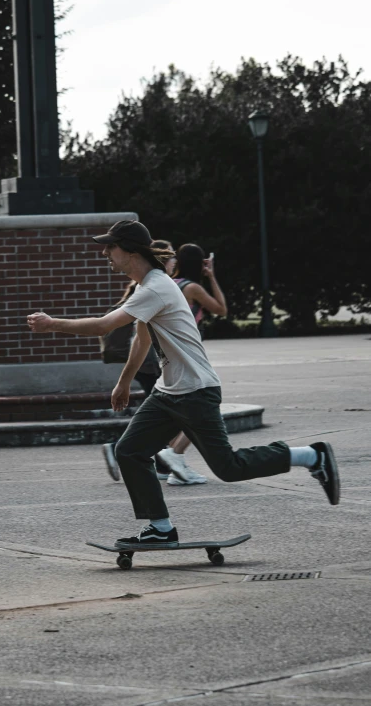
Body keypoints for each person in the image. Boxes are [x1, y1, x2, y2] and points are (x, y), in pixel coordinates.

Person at [27, 219, 340, 549]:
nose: (105, 252)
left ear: (131, 251)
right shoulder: (150, 288)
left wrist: (52, 324)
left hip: (196, 392)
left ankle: (311, 455)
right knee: (130, 451)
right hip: (168, 392)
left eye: (111, 246)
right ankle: (160, 527)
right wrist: (124, 381)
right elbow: (142, 340)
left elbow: (104, 326)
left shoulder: (156, 288)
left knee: (229, 467)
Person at [101, 239, 173, 483]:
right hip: (150, 362)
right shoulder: (152, 288)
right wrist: (52, 324)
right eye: (171, 258)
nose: (175, 262)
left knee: (162, 412)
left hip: (151, 362)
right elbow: (132, 335)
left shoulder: (147, 286)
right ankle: (126, 451)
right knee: (163, 413)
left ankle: (161, 461)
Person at [158, 243, 228, 486]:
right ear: (199, 264)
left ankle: (176, 462)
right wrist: (212, 276)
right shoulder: (192, 287)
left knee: (182, 410)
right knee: (203, 408)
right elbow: (221, 309)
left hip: (168, 354)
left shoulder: (170, 284)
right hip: (190, 355)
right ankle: (175, 455)